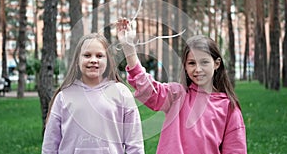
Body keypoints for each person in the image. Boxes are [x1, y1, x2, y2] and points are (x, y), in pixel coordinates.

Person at [117, 19, 247, 154]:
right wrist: (129, 49)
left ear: (216, 64)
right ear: (185, 65)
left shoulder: (228, 107)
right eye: (192, 63)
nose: (198, 69)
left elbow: (235, 149)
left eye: (204, 62)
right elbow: (147, 88)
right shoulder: (176, 95)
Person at [42, 33, 144, 154]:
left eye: (100, 56)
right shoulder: (64, 96)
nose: (93, 60)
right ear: (77, 61)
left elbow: (135, 143)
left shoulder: (121, 93)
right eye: (87, 55)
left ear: (108, 61)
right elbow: (50, 145)